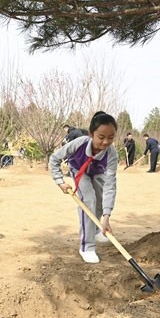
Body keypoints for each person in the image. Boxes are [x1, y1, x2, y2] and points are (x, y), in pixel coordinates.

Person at [50, 112, 118, 263]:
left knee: (99, 201)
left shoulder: (112, 154)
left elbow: (110, 185)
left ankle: (96, 229)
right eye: (101, 137)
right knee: (88, 200)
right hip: (79, 170)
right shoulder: (79, 143)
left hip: (98, 173)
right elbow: (54, 158)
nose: (106, 142)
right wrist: (60, 181)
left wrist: (106, 217)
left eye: (111, 137)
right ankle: (87, 247)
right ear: (91, 134)